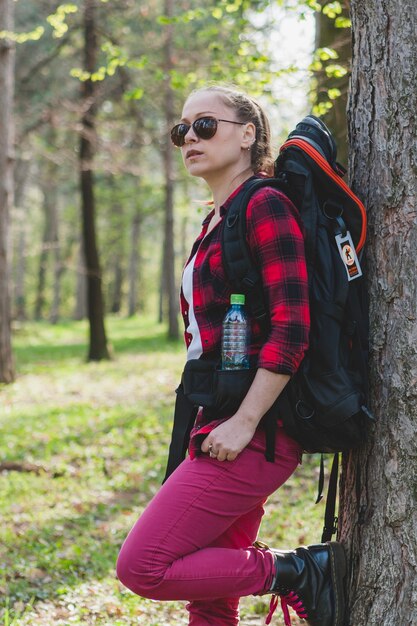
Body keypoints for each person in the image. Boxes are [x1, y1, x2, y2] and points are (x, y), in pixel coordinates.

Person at [116, 85, 346, 626]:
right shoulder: (215, 222)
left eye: (205, 125)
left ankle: (294, 570)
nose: (189, 138)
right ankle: (287, 571)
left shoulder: (264, 205)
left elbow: (293, 325)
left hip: (257, 433)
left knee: (143, 567)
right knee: (210, 604)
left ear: (248, 134)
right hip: (215, 423)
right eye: (181, 130)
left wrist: (244, 423)